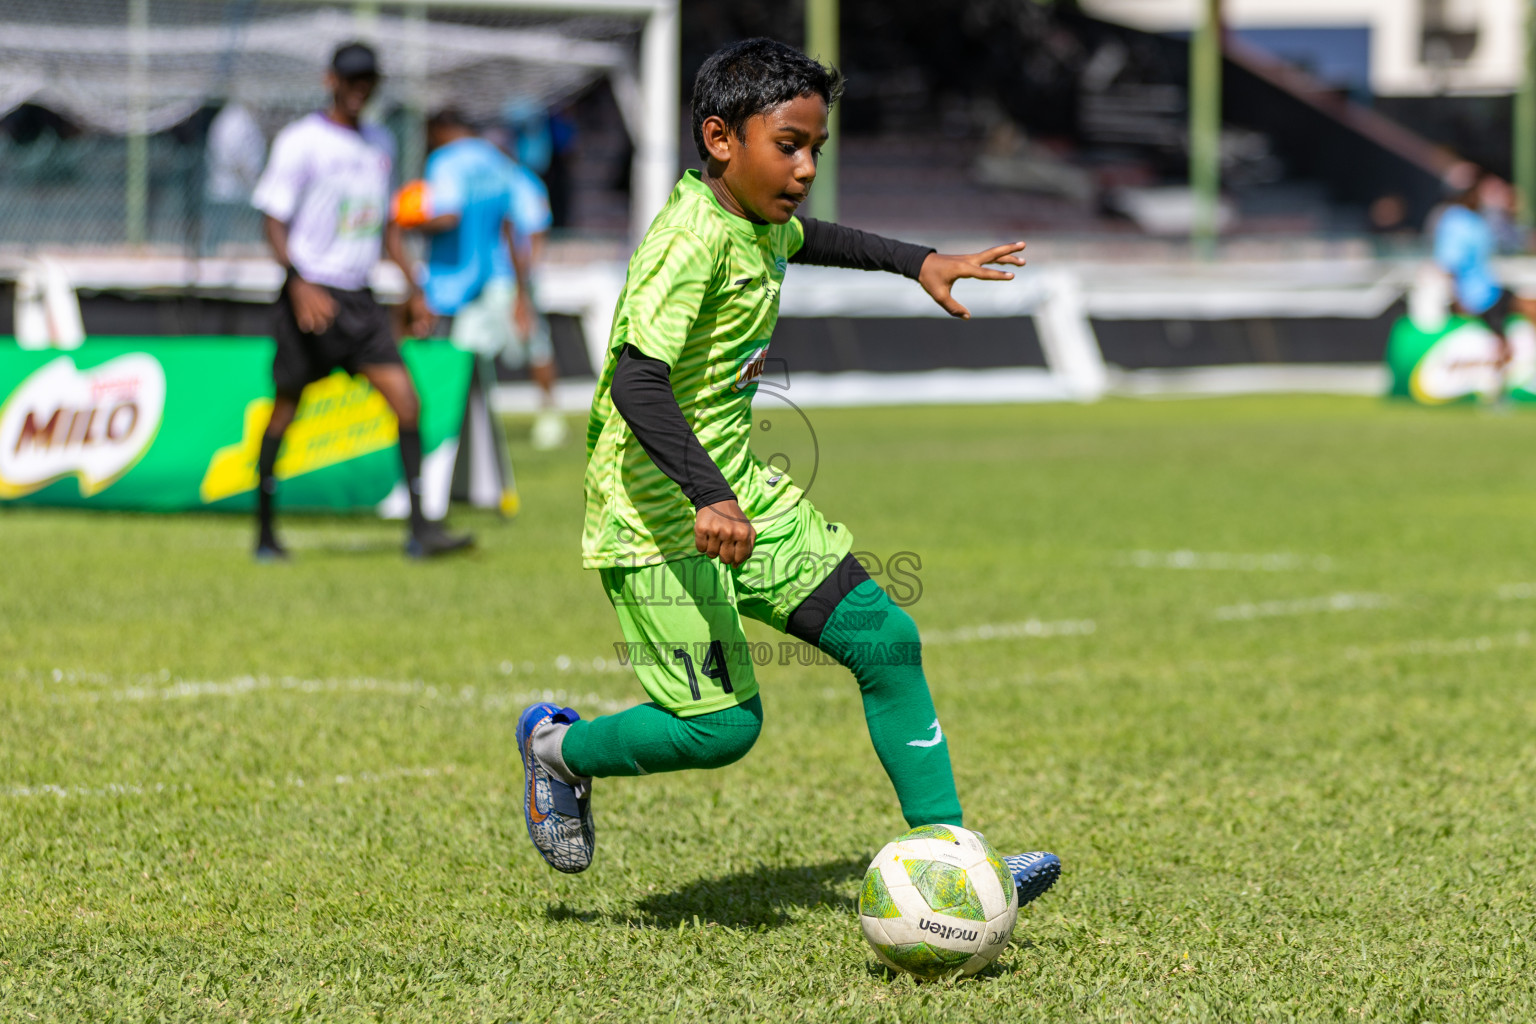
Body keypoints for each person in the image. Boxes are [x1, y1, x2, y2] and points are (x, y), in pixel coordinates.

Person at [514, 38, 1061, 907]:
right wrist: (710, 495)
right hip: (656, 515)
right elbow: (635, 378)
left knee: (886, 642)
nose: (805, 168)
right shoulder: (689, 242)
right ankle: (555, 749)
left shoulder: (756, 218)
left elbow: (820, 238)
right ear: (721, 138)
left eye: (817, 148)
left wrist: (918, 260)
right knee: (724, 729)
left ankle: (951, 856)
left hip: (737, 495)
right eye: (790, 145)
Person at [250, 42, 472, 560]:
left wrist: (414, 287)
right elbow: (272, 219)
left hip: (360, 299)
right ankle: (264, 533)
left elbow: (387, 225)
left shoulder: (379, 142)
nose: (359, 88)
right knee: (284, 410)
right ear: (330, 80)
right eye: (350, 78)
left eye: (367, 79)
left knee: (406, 402)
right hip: (310, 296)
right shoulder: (301, 141)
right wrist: (297, 281)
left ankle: (421, 531)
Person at [1433, 170, 1536, 389]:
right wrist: (1458, 298)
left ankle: (1502, 386)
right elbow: (1450, 265)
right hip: (1476, 295)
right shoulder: (1455, 221)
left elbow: (1510, 240)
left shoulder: (1475, 218)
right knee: (1500, 339)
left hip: (1488, 289)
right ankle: (1497, 391)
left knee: (1524, 315)